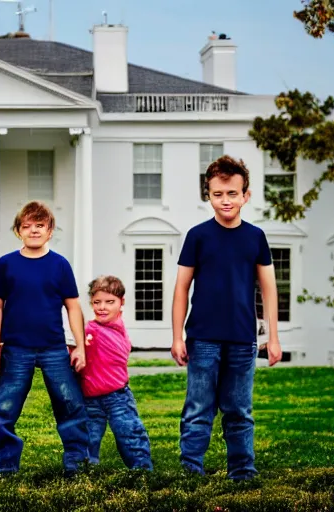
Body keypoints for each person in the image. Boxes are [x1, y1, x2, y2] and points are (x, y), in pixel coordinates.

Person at [171, 155, 282, 481]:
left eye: (232, 193)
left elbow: (269, 289)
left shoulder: (255, 237)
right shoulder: (197, 236)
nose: (225, 200)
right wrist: (177, 336)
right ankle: (190, 471)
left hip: (242, 338)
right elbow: (181, 289)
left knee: (239, 411)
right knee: (198, 409)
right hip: (202, 337)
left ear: (245, 195)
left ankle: (242, 472)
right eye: (218, 194)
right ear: (209, 195)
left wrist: (272, 337)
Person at [0, 201, 89, 477]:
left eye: (40, 226)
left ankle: (76, 465)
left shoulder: (59, 265)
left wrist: (80, 346)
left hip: (53, 347)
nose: (33, 230)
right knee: (4, 407)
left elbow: (73, 306)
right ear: (18, 231)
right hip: (16, 347)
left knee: (70, 404)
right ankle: (6, 466)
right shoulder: (7, 264)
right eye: (27, 226)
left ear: (50, 230)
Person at [77, 275, 153, 470]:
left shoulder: (116, 330)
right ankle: (85, 471)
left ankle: (142, 470)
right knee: (87, 438)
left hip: (117, 396)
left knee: (130, 434)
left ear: (121, 303)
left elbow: (120, 350)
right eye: (97, 302)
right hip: (90, 397)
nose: (103, 307)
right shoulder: (87, 330)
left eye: (110, 302)